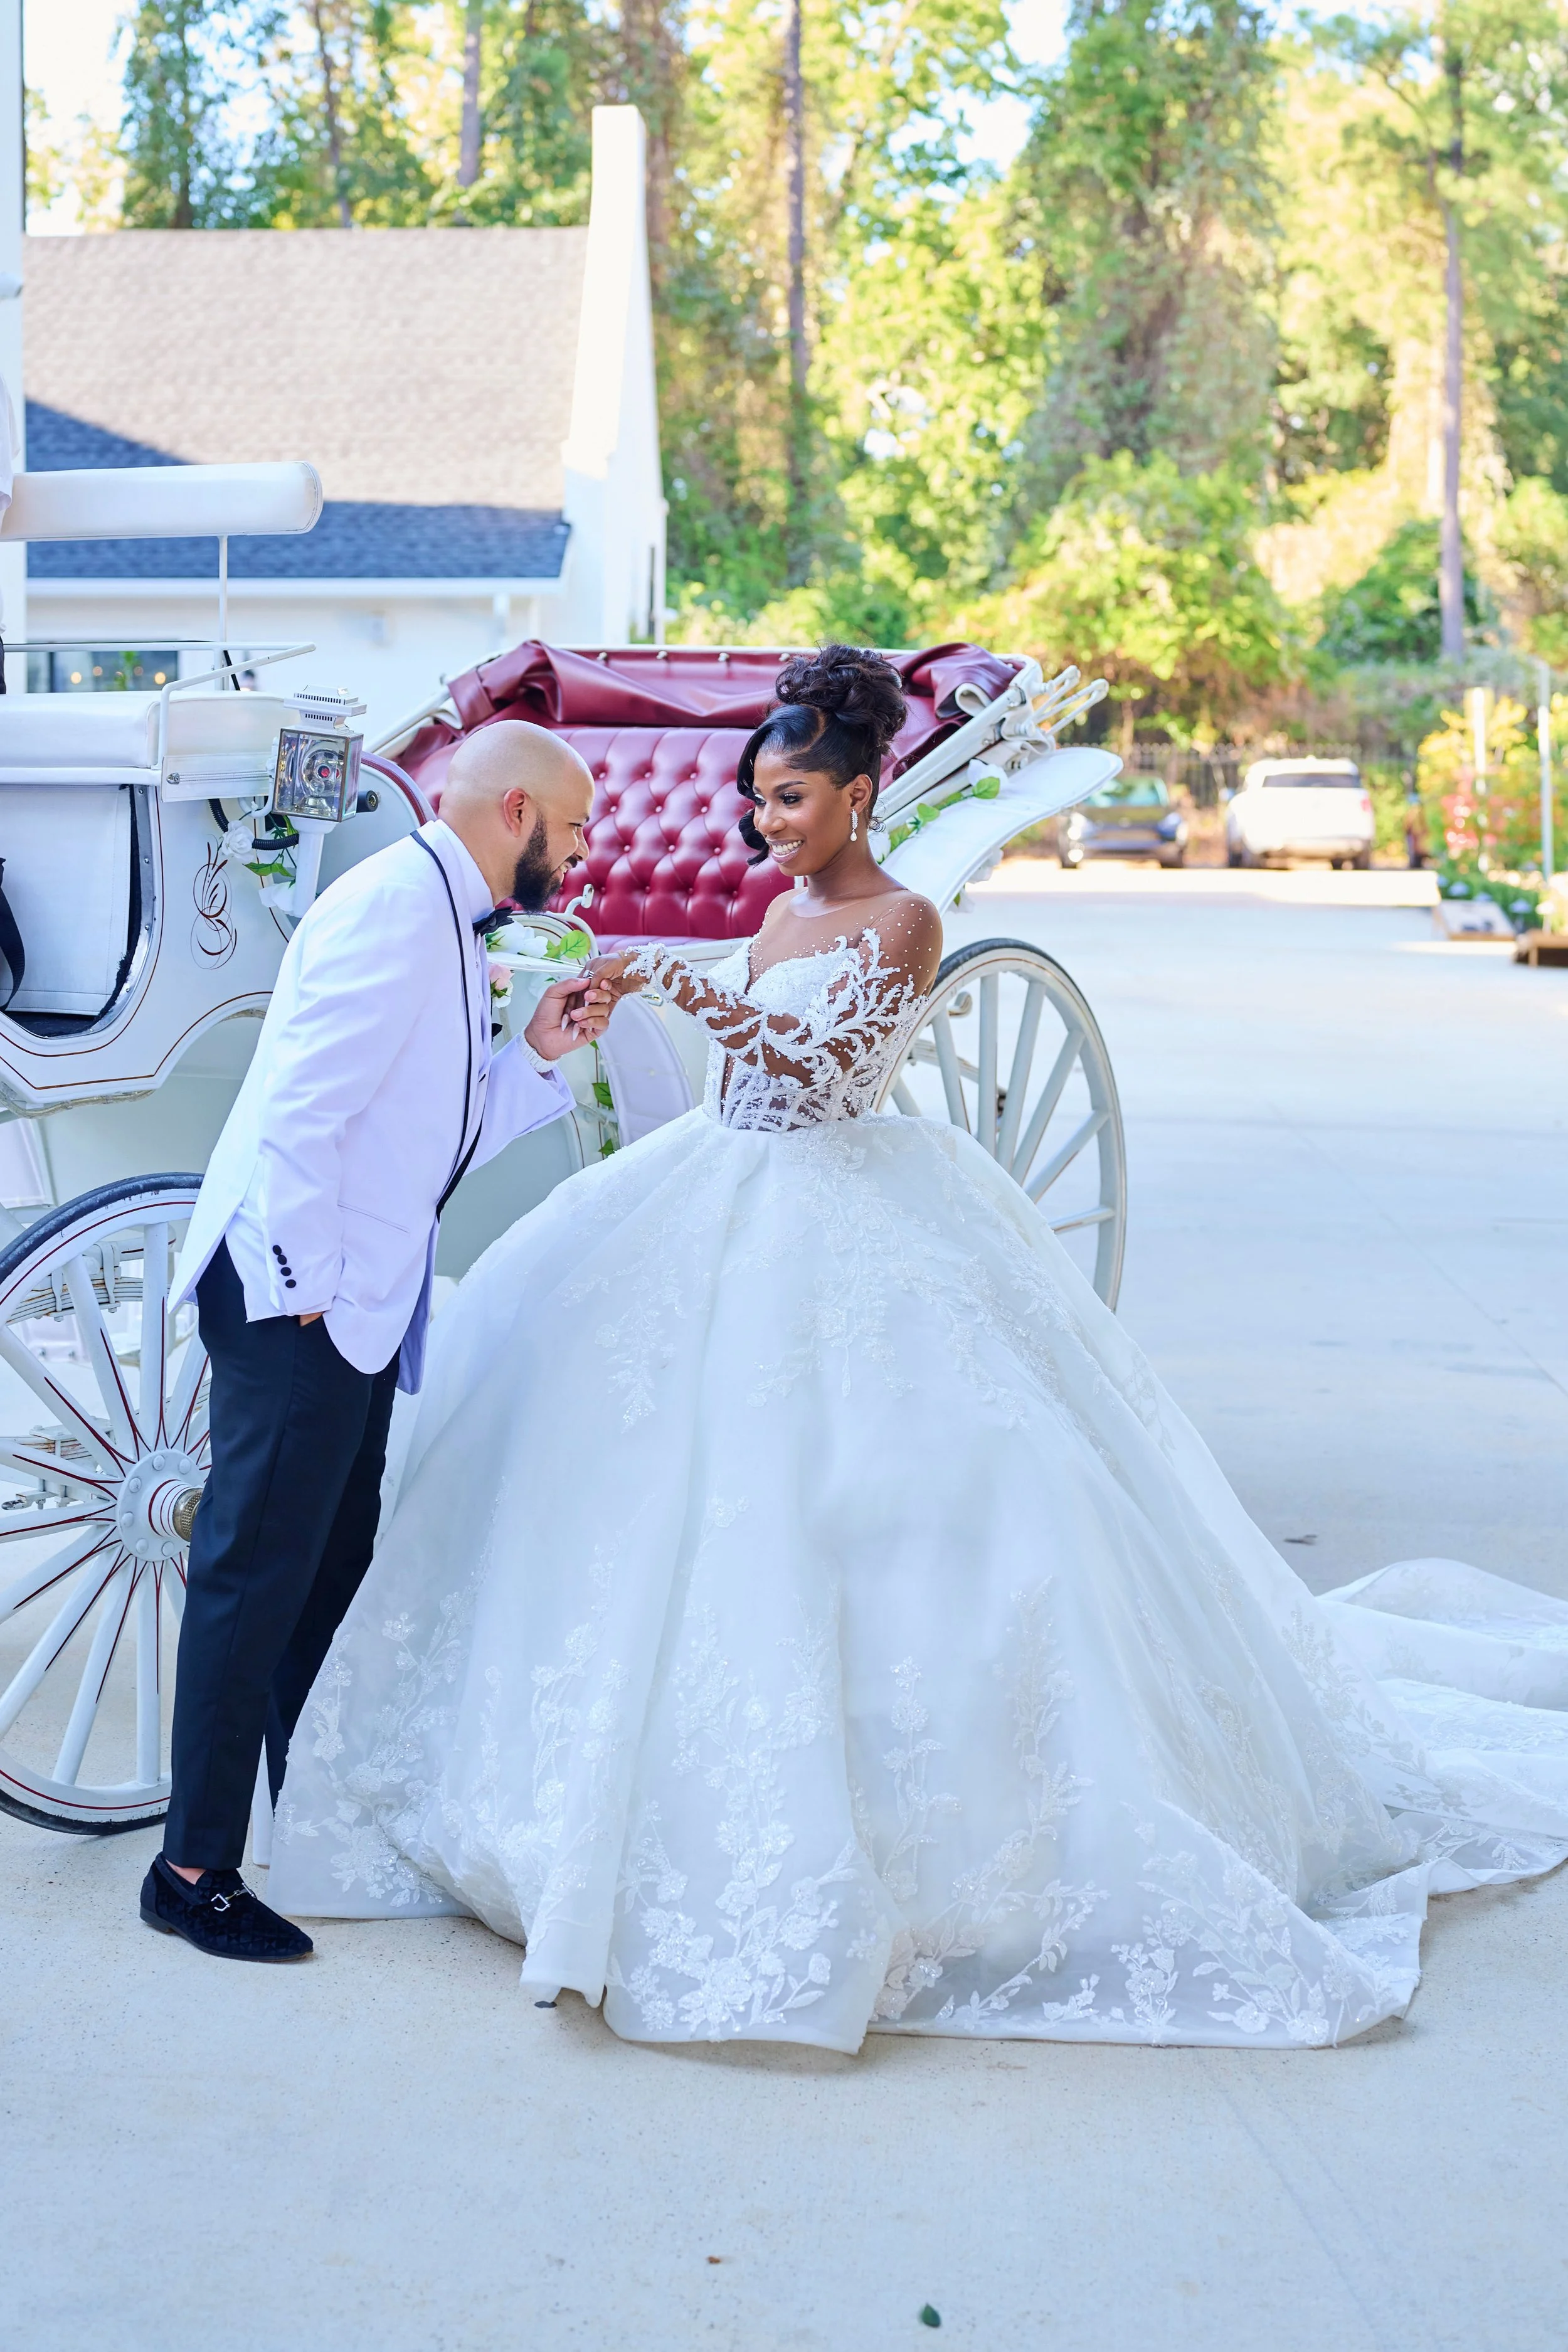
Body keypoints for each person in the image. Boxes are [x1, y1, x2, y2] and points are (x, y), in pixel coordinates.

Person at [270, 647, 1568, 2050]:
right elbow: (745, 1060)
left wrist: (690, 992)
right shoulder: (770, 914)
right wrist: (638, 993)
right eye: (759, 801)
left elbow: (830, 1079)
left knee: (910, 1502)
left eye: (792, 798)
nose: (769, 825)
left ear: (858, 788)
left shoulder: (901, 919)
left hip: (842, 1204)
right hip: (712, 1191)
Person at [142, 723, 612, 1963]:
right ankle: (191, 1869)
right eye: (573, 833)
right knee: (253, 1580)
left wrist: (539, 1053)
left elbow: (428, 1125)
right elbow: (302, 1104)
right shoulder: (399, 908)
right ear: (516, 811)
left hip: (349, 1302)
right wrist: (300, 1284)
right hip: (298, 1294)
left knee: (325, 1574)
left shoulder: (442, 913)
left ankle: (319, 1819)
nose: (580, 855)